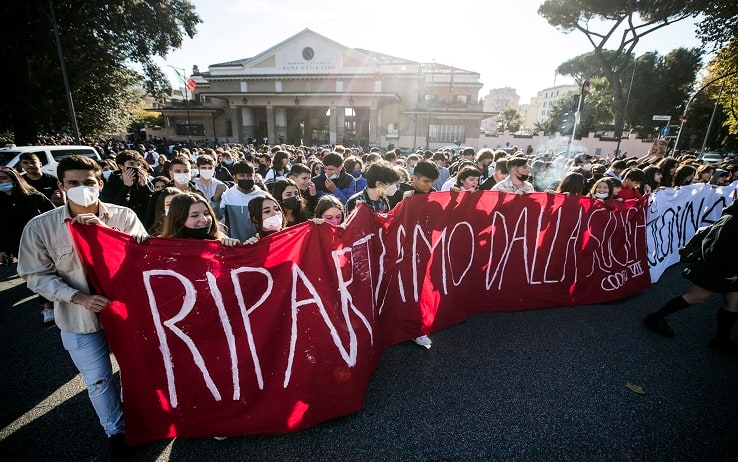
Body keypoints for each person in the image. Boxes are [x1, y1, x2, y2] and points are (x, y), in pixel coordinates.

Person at [17, 155, 148, 459]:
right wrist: (78, 298)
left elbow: (142, 257)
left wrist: (105, 235)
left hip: (125, 315)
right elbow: (34, 274)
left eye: (88, 182)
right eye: (73, 183)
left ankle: (141, 423)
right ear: (61, 186)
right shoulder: (41, 227)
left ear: (100, 184)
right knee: (99, 380)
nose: (81, 188)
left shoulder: (123, 217)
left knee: (133, 372)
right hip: (78, 318)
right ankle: (116, 432)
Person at [643, 201, 738, 357]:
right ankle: (655, 318)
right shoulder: (733, 220)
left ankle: (722, 340)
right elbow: (713, 250)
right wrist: (731, 272)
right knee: (696, 298)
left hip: (730, 271)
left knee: (733, 303)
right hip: (719, 270)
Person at [0, 167, 56, 322]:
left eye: (4, 178)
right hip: (16, 245)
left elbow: (53, 215)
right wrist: (2, 249)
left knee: (43, 270)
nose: (1, 182)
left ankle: (47, 307)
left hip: (41, 242)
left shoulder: (34, 196)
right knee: (35, 273)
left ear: (14, 178)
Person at [159, 192, 239, 246]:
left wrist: (234, 247)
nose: (204, 219)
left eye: (206, 213)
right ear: (179, 220)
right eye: (194, 215)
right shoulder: (163, 245)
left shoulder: (221, 240)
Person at [100, 150, 153, 222]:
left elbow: (152, 204)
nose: (136, 167)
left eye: (138, 165)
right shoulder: (111, 184)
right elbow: (115, 207)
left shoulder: (144, 181)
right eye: (131, 164)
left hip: (142, 222)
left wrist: (145, 187)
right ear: (121, 166)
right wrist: (126, 187)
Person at [220, 160, 267, 242]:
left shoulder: (263, 196)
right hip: (234, 245)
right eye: (242, 175)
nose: (246, 178)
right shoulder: (227, 196)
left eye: (249, 175)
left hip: (258, 243)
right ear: (235, 178)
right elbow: (221, 223)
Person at [193, 154, 227, 220]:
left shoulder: (221, 186)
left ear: (214, 168)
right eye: (204, 168)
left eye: (210, 168)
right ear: (198, 168)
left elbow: (222, 213)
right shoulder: (193, 184)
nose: (207, 170)